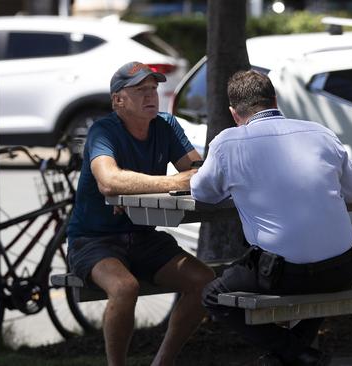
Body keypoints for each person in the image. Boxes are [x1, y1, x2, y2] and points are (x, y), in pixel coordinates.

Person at [191, 70, 352, 366]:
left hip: (283, 275)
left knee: (212, 295)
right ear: (274, 100)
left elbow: (202, 192)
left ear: (234, 113)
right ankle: (295, 351)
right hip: (344, 269)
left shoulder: (227, 143)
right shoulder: (320, 133)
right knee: (318, 268)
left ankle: (295, 351)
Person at [67, 61, 215, 366]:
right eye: (140, 90)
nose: (151, 96)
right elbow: (109, 181)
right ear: (118, 100)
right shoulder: (103, 130)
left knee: (204, 280)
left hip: (144, 237)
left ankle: (162, 361)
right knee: (125, 287)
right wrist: (172, 182)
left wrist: (143, 186)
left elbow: (199, 172)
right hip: (94, 240)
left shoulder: (166, 124)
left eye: (153, 89)